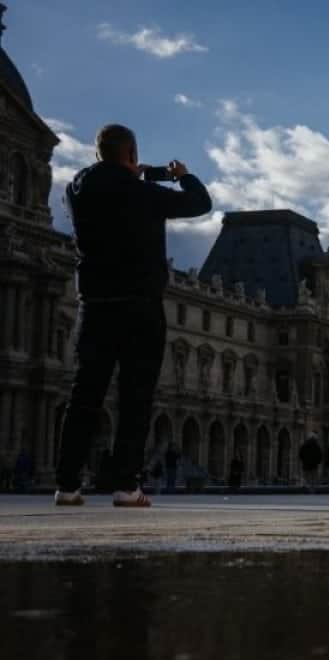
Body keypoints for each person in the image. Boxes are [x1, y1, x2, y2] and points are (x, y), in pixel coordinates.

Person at [54, 124, 212, 507]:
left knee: (84, 396)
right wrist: (181, 175)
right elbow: (199, 203)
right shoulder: (143, 194)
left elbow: (88, 183)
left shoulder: (76, 190)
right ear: (131, 154)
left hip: (94, 305)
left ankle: (67, 485)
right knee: (135, 398)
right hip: (139, 305)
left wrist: (119, 171)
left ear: (98, 154)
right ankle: (126, 485)